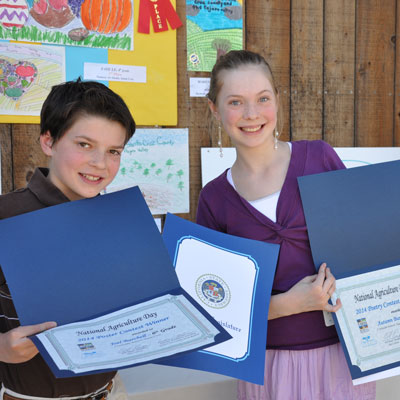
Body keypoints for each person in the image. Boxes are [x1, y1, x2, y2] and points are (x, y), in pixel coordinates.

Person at [197, 50, 376, 400]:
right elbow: (215, 306)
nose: (251, 114)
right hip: (267, 367)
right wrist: (292, 303)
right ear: (215, 110)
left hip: (342, 360)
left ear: (277, 100)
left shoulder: (319, 159)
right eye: (235, 102)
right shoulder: (214, 199)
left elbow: (365, 252)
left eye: (262, 98)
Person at [0, 79, 135, 399]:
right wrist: (2, 347)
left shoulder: (120, 222)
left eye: (113, 151)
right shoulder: (6, 216)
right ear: (49, 141)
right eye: (84, 145)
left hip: (111, 392)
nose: (100, 163)